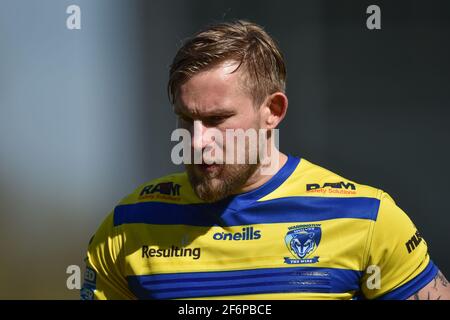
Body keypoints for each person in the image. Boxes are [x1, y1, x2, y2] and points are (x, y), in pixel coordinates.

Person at [81, 20, 449, 300]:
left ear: (272, 110)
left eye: (216, 120)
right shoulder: (127, 228)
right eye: (185, 118)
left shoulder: (367, 219)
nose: (197, 141)